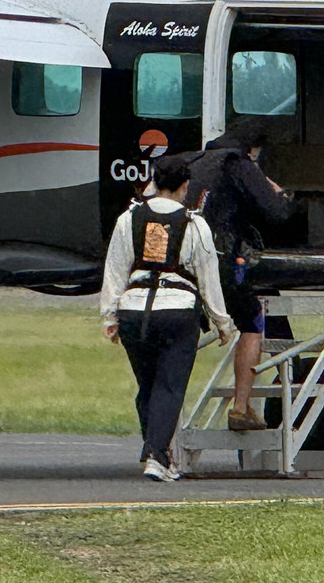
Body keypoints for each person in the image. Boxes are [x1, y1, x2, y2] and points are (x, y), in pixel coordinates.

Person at [100, 154, 235, 482]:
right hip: (177, 312)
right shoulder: (194, 223)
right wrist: (222, 321)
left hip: (133, 310)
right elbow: (208, 275)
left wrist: (109, 315)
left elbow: (115, 270)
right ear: (185, 186)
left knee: (148, 386)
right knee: (170, 386)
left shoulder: (128, 219)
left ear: (155, 182)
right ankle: (157, 456)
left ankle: (155, 448)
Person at [183, 124, 293, 431]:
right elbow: (276, 213)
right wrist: (279, 192)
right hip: (221, 261)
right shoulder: (239, 164)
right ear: (253, 148)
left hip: (180, 265)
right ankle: (241, 406)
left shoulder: (196, 161)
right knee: (252, 322)